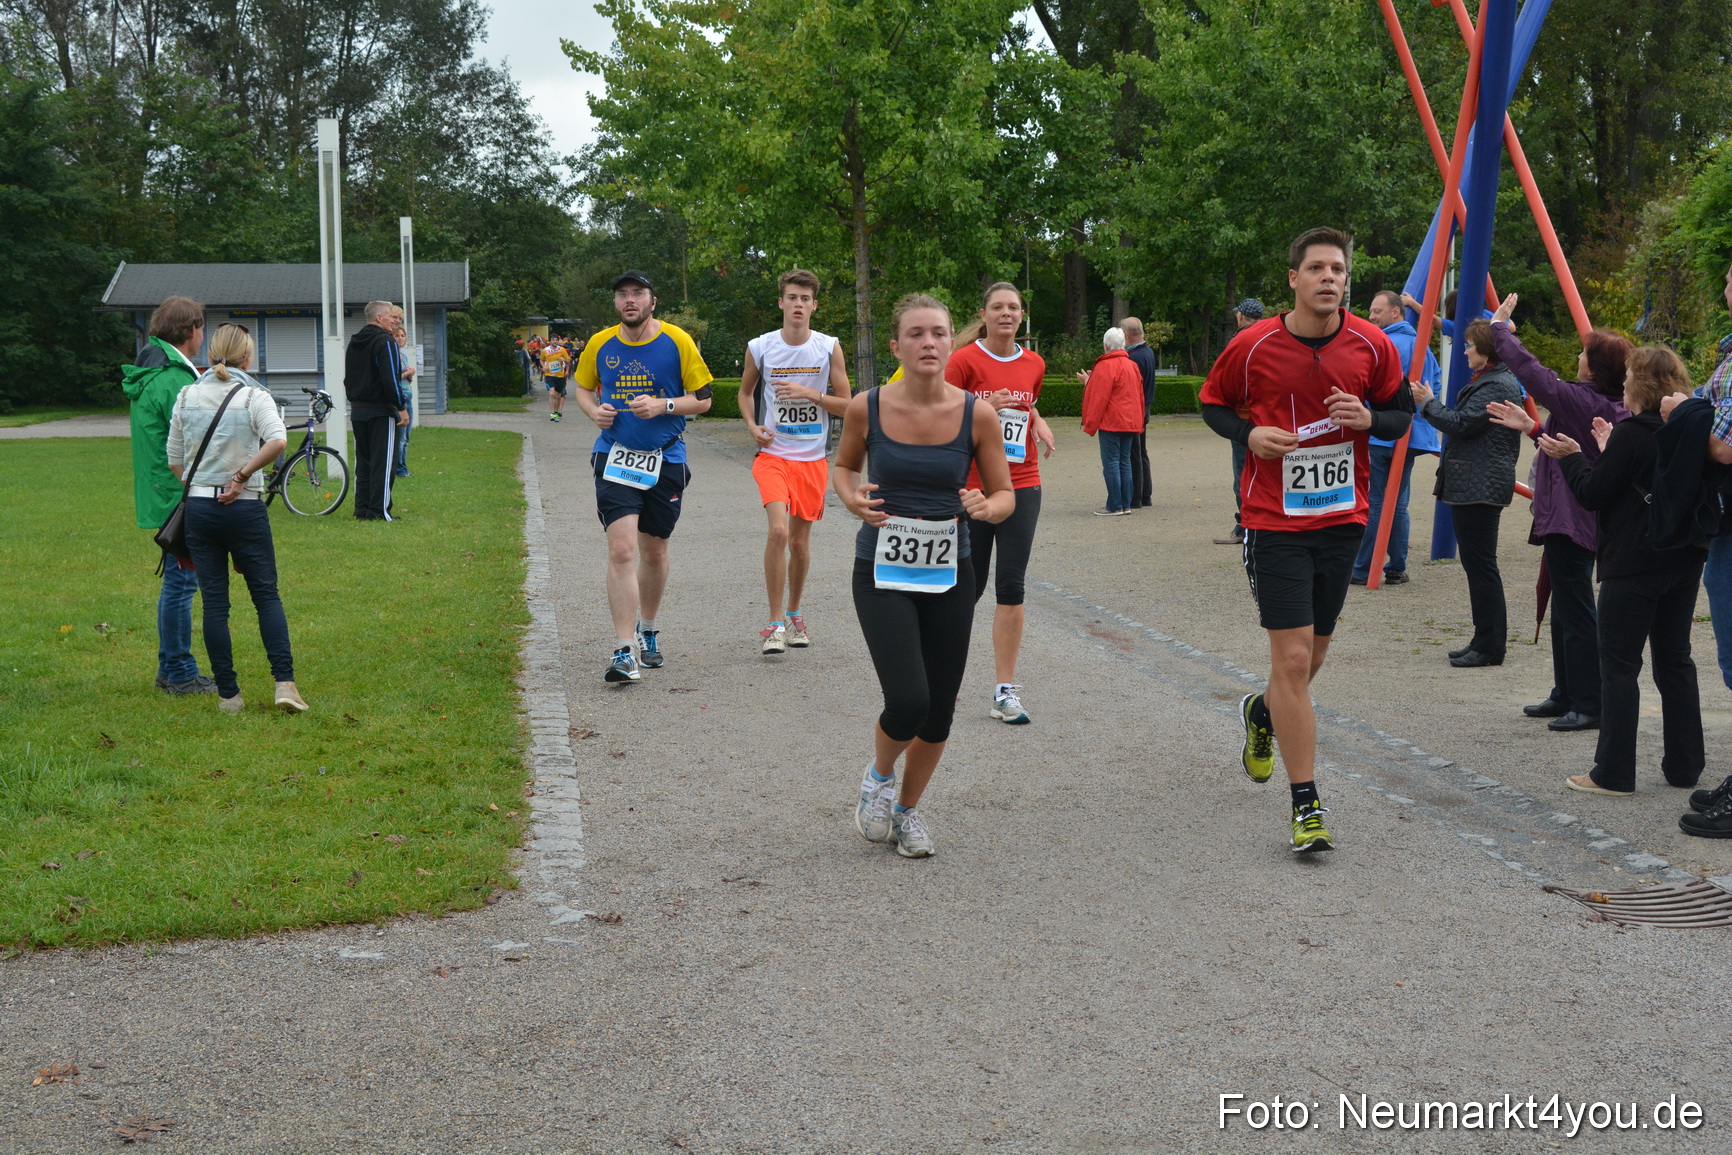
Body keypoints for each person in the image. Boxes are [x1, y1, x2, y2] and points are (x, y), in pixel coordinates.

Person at [1199, 227, 1411, 852]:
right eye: (1316, 268)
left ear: (1347, 280)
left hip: (1343, 519)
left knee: (1312, 660)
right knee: (1291, 661)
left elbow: (1401, 414)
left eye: (1337, 269)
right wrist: (1248, 435)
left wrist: (1370, 418)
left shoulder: (1372, 343)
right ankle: (1306, 804)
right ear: (1293, 278)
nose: (1328, 278)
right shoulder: (1251, 345)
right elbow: (1213, 405)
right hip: (1273, 521)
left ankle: (1262, 713)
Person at [834, 293, 1015, 858]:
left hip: (950, 572)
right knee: (909, 700)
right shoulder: (867, 407)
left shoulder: (976, 414)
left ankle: (908, 812)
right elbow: (843, 467)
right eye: (916, 334)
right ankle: (879, 779)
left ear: (951, 342)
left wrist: (987, 507)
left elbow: (1005, 493)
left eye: (938, 332)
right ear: (896, 346)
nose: (929, 342)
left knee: (939, 710)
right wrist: (851, 498)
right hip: (881, 570)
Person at [1538, 345, 1704, 798]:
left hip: (1633, 561)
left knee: (1619, 666)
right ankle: (1686, 764)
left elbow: (1592, 493)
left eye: (1630, 377)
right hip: (1683, 558)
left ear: (1641, 384)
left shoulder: (1632, 433)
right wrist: (1608, 451)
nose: (1625, 384)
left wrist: (1572, 456)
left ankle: (1613, 772)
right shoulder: (1687, 431)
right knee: (1675, 660)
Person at [1483, 293, 1630, 731]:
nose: (1577, 358)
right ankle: (1566, 692)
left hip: (1571, 517)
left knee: (1576, 609)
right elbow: (1569, 446)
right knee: (1566, 607)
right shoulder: (1604, 403)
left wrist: (1499, 330)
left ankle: (1588, 702)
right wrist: (1533, 427)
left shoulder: (1581, 400)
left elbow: (1533, 372)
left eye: (1584, 354)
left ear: (1594, 368)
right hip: (1575, 515)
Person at [572, 270, 714, 683]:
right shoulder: (600, 343)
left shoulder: (677, 340)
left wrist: (663, 406)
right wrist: (593, 411)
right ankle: (624, 650)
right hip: (614, 455)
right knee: (621, 550)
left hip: (665, 458)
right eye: (622, 294)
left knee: (653, 552)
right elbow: (582, 388)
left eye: (638, 293)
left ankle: (647, 629)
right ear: (616, 302)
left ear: (653, 301)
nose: (629, 300)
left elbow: (704, 400)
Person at [165, 324, 306, 714]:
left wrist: (201, 486)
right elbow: (278, 441)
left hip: (200, 510)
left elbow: (174, 460)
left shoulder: (186, 395)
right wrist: (241, 477)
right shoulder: (254, 396)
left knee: (215, 605)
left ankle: (228, 695)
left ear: (210, 356)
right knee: (266, 596)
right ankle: (285, 685)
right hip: (245, 508)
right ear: (248, 358)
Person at [946, 282, 1054, 724]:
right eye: (998, 307)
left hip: (1022, 481)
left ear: (1021, 315)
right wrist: (981, 405)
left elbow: (1025, 404)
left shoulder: (1035, 363)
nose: (1006, 313)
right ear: (984, 314)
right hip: (972, 486)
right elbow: (941, 415)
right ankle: (940, 675)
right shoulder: (963, 360)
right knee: (967, 588)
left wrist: (1037, 420)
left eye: (1013, 307)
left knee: (1011, 585)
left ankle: (1004, 692)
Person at [738, 269, 852, 654]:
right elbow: (745, 393)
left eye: (805, 299)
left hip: (812, 459)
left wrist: (810, 393)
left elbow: (848, 405)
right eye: (792, 298)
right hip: (773, 455)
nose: (798, 304)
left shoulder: (828, 347)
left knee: (800, 544)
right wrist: (752, 425)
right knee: (778, 532)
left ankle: (793, 613)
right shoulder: (761, 347)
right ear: (781, 303)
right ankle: (774, 625)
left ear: (814, 305)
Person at [1410, 319, 1523, 668]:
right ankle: (1483, 638)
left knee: (1482, 567)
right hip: (1477, 484)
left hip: (1480, 486)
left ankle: (1490, 645)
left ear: (1485, 350)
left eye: (1469, 345)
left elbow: (1461, 424)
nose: (1464, 350)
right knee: (1478, 566)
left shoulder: (1496, 384)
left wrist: (1428, 403)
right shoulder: (1492, 379)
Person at [122, 296, 215, 696]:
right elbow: (198, 439)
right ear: (191, 329)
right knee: (182, 583)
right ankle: (179, 672)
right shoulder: (173, 377)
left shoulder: (155, 369)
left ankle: (170, 668)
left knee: (178, 581)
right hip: (179, 491)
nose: (202, 335)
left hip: (164, 490)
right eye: (201, 327)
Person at [1351, 289, 1441, 586]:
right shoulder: (1421, 345)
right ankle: (1397, 565)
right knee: (1398, 503)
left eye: (1376, 311)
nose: (1371, 316)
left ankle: (1363, 567)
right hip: (1410, 434)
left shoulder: (1379, 344)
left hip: (1382, 433)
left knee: (1376, 502)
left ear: (1395, 312)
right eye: (1371, 311)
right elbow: (1434, 383)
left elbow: (1362, 384)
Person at [346, 300, 409, 521]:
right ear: (379, 317)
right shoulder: (386, 342)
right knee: (383, 463)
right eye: (391, 316)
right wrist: (401, 407)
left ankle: (362, 509)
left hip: (358, 410)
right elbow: (390, 379)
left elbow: (349, 377)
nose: (395, 321)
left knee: (364, 462)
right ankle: (379, 511)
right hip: (381, 411)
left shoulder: (355, 341)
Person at [1213, 299, 1265, 544]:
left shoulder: (1241, 341)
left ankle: (1245, 527)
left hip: (1244, 419)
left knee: (1242, 477)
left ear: (1241, 317)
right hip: (1265, 418)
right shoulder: (1269, 338)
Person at [1079, 327, 1145, 516]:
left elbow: (1098, 398)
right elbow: (1139, 396)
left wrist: (1090, 424)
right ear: (1122, 344)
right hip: (1130, 421)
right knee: (1125, 462)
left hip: (1111, 422)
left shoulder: (1104, 366)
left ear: (1106, 346)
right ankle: (1125, 504)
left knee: (1112, 463)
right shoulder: (1132, 365)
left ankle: (1115, 505)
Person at [1123, 317, 1157, 508]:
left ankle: (1136, 496)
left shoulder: (1134, 357)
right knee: (1140, 451)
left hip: (1136, 408)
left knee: (1134, 452)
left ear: (1127, 335)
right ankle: (1145, 494)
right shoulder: (1148, 352)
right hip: (1144, 407)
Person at [390, 306, 415, 478]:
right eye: (397, 335)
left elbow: (404, 377)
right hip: (400, 398)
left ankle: (403, 466)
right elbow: (392, 377)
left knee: (406, 438)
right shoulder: (392, 354)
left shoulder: (403, 356)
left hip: (408, 396)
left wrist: (409, 376)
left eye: (402, 335)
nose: (400, 338)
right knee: (401, 438)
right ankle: (399, 469)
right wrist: (407, 373)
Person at [542, 336, 572, 421]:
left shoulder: (562, 350)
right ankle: (552, 413)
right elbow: (541, 359)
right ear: (550, 341)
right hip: (549, 375)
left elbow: (568, 361)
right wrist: (543, 366)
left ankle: (556, 412)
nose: (555, 341)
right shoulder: (545, 350)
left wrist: (564, 360)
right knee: (552, 393)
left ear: (558, 341)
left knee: (558, 396)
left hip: (560, 376)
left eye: (556, 340)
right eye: (553, 340)